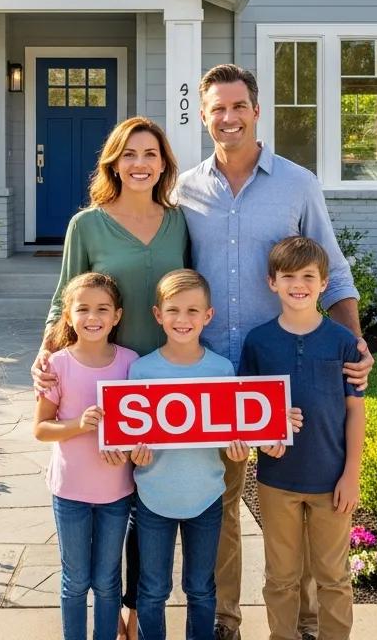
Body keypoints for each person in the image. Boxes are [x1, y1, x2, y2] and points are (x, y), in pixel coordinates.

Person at [174, 63, 374, 640]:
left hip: (291, 373)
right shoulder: (185, 190)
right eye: (217, 108)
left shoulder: (297, 183)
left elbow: (332, 272)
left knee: (305, 494)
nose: (228, 117)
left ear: (256, 110)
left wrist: (355, 343)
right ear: (205, 115)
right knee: (224, 506)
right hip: (216, 374)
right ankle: (224, 620)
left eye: (238, 106)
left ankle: (308, 623)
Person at [33, 116, 189, 640]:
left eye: (150, 154)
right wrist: (45, 355)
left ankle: (134, 608)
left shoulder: (179, 221)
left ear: (164, 162)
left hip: (162, 378)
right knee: (111, 488)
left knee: (150, 498)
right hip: (108, 380)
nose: (140, 164)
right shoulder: (87, 224)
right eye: (129, 154)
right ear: (114, 163)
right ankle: (110, 609)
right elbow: (64, 298)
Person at [239, 237, 364, 640]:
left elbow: (355, 411)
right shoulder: (258, 342)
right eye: (288, 276)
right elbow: (247, 411)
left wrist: (352, 474)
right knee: (281, 577)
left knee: (333, 577)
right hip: (277, 480)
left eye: (308, 276)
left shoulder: (341, 341)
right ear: (271, 282)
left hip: (331, 481)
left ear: (324, 283)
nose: (299, 284)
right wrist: (262, 439)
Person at [127, 269, 251, 640]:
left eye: (193, 311)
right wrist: (135, 455)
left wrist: (239, 451)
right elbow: (129, 439)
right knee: (152, 590)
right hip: (153, 497)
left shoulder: (221, 370)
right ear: (157, 315)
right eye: (174, 310)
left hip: (206, 497)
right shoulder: (141, 370)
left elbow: (232, 435)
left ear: (208, 316)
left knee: (200, 588)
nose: (183, 320)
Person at [33, 272, 139, 640]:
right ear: (68, 316)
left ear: (117, 316)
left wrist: (126, 449)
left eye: (102, 309)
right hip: (70, 492)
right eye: (83, 309)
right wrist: (79, 424)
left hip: (116, 492)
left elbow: (141, 427)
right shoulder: (57, 365)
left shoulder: (131, 363)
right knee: (76, 579)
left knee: (108, 580)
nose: (93, 317)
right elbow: (41, 428)